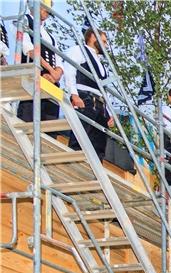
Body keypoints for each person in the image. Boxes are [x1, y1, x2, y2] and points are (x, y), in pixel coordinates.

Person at [62, 28, 114, 158]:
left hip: (100, 105)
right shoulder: (79, 50)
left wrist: (110, 112)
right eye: (103, 41)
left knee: (98, 145)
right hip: (85, 97)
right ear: (92, 37)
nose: (105, 45)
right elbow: (69, 71)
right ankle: (74, 167)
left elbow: (104, 89)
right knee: (80, 138)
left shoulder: (101, 63)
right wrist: (74, 94)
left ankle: (95, 173)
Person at [16, 3, 64, 125]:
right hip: (33, 80)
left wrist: (55, 75)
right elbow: (29, 50)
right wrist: (50, 71)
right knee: (28, 122)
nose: (47, 9)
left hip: (51, 85)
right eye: (44, 5)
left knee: (49, 125)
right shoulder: (24, 21)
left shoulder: (52, 37)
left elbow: (59, 60)